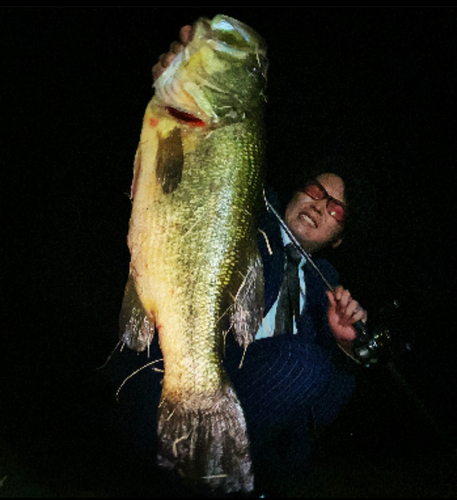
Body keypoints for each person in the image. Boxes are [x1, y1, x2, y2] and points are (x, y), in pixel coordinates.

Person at [108, 24, 369, 496]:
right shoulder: (249, 211)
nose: (317, 205)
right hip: (171, 376)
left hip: (254, 430)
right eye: (314, 190)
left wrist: (344, 350)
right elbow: (176, 178)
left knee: (312, 367)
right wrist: (175, 83)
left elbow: (319, 411)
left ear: (339, 238)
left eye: (334, 208)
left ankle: (220, 470)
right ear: (292, 191)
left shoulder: (328, 288)